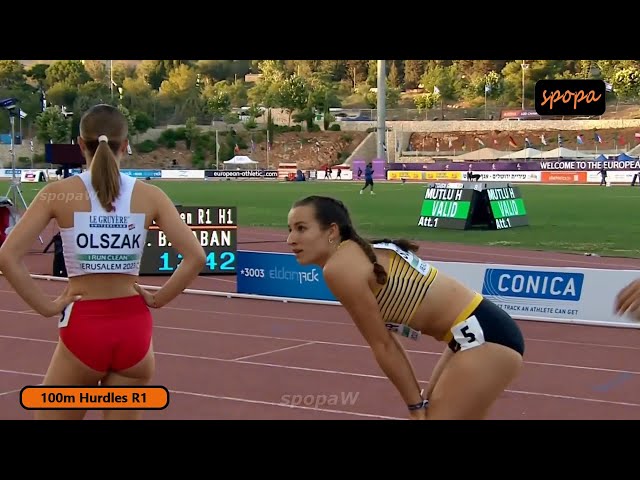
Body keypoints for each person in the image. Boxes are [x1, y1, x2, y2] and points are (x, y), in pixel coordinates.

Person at [0, 104, 206, 420]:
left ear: (80, 145)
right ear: (126, 145)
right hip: (135, 330)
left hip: (85, 325)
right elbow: (195, 257)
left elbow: (7, 257)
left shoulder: (58, 193)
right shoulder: (151, 196)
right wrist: (158, 298)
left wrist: (46, 306)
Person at [286, 195, 525, 420]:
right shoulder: (358, 253)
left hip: (485, 337)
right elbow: (387, 342)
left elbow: (383, 345)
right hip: (474, 332)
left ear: (332, 231)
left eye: (301, 228)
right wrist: (416, 403)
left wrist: (414, 405)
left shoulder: (339, 268)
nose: (291, 239)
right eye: (290, 230)